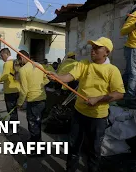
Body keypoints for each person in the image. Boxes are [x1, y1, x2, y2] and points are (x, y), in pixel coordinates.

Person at [48, 37, 125, 172]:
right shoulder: (83, 64)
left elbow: (119, 94)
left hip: (98, 117)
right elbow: (69, 77)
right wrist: (57, 77)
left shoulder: (112, 71)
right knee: (73, 146)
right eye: (92, 47)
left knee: (94, 150)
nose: (93, 50)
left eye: (97, 48)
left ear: (106, 52)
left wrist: (98, 99)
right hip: (79, 113)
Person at [17, 50, 49, 155]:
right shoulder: (39, 65)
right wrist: (38, 85)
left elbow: (24, 90)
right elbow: (47, 80)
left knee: (33, 125)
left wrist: (20, 103)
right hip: (42, 99)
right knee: (37, 123)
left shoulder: (23, 70)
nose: (19, 63)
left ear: (21, 58)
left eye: (19, 60)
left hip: (33, 101)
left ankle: (37, 150)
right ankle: (34, 141)